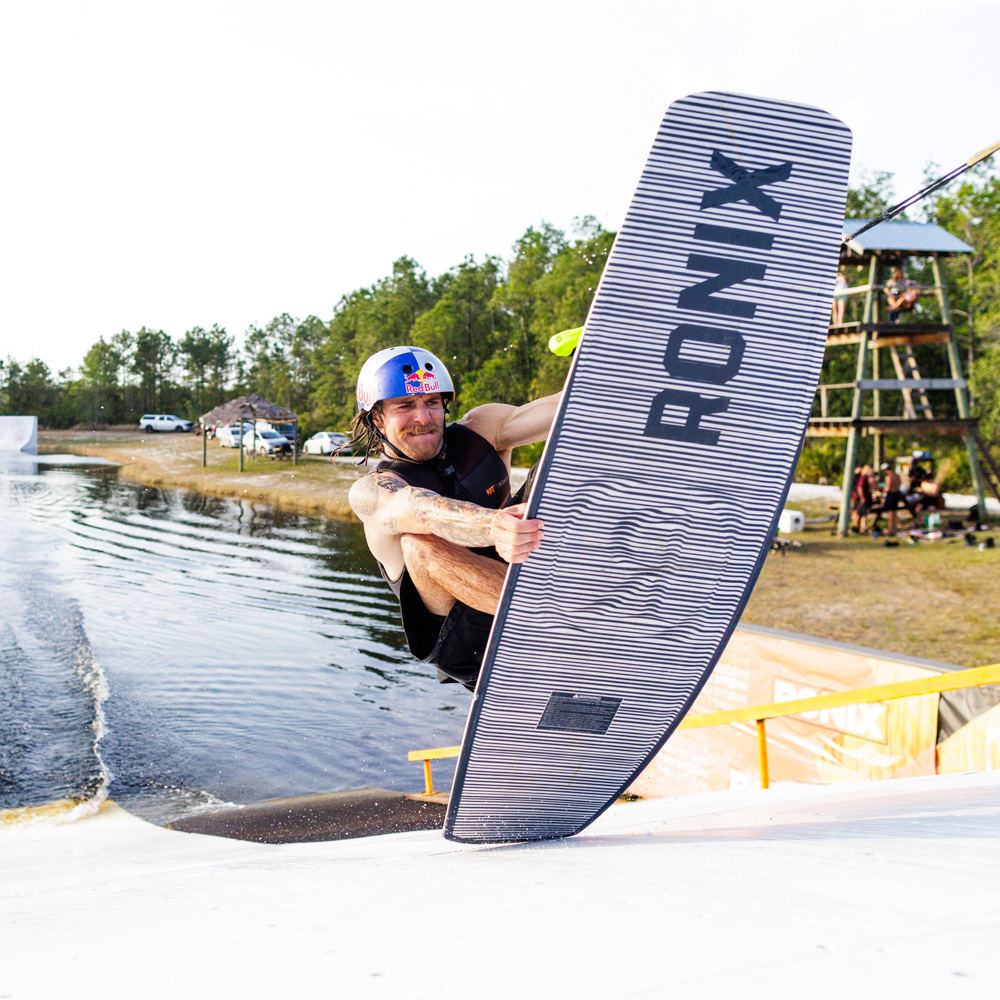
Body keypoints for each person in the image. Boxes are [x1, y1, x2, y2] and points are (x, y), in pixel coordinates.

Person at [348, 346, 560, 691]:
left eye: (432, 403)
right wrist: (493, 524)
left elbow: (564, 411)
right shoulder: (372, 490)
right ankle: (564, 624)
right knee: (419, 546)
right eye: (405, 406)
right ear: (376, 418)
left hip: (519, 576)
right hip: (469, 641)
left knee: (559, 460)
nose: (424, 417)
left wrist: (599, 359)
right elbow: (423, 510)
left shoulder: (482, 431)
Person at [878, 462, 902, 535]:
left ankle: (890, 527)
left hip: (891, 495)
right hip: (897, 493)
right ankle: (897, 526)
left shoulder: (889, 477)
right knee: (894, 511)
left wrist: (882, 489)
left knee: (890, 512)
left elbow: (888, 488)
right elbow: (899, 484)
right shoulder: (897, 476)